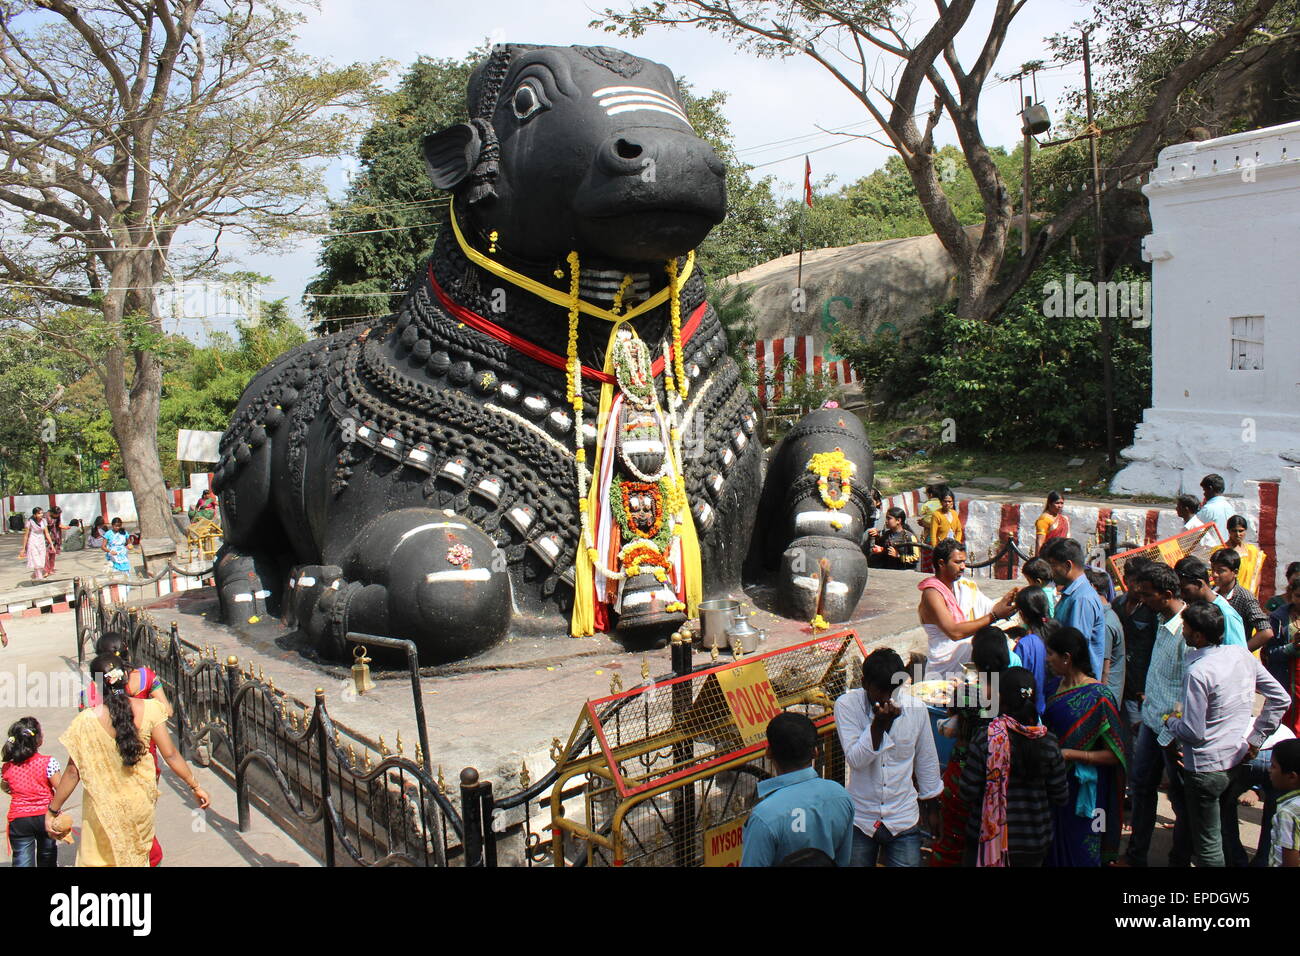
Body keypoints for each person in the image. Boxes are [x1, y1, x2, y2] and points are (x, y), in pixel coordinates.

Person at [46, 654, 210, 866]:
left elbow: (72, 772)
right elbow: (171, 755)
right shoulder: (150, 709)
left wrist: (52, 811)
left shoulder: (85, 721)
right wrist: (195, 786)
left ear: (96, 685)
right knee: (140, 854)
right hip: (139, 803)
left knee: (102, 859)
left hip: (102, 806)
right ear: (126, 677)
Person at [1164, 601, 1289, 867]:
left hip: (1205, 768)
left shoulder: (1198, 672)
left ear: (1198, 635)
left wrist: (1170, 721)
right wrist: (1254, 740)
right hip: (1235, 760)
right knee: (1218, 832)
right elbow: (1280, 699)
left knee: (1209, 845)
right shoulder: (1240, 654)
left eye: (1185, 627)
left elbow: (1193, 732)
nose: (1182, 631)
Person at [835, 648, 942, 866]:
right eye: (880, 691)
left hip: (903, 817)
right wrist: (878, 725)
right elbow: (856, 760)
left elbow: (926, 761)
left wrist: (933, 810)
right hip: (862, 819)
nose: (887, 699)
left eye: (892, 692)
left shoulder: (917, 710)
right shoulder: (846, 706)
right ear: (865, 683)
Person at [959, 667, 1069, 866]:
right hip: (1034, 842)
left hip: (985, 840)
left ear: (1001, 700)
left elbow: (967, 792)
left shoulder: (985, 739)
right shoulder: (1050, 743)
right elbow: (1061, 796)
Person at [1120, 562, 1191, 867]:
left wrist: (1174, 722)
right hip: (1151, 721)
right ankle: (1136, 856)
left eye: (1148, 596)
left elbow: (1190, 686)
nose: (1143, 601)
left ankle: (1179, 858)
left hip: (1172, 729)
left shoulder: (1188, 630)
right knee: (1142, 788)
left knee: (1180, 798)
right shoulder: (1163, 621)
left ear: (1166, 594)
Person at [1043, 626, 1128, 866]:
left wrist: (1071, 754)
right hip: (1055, 785)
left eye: (1051, 654)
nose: (1047, 660)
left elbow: (1115, 754)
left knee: (1083, 848)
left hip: (1086, 791)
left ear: (1067, 658)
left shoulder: (1100, 697)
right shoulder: (1052, 688)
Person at [740, 712, 853, 867]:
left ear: (769, 753)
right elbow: (843, 861)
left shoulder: (764, 816)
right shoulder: (841, 796)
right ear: (815, 752)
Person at [917, 539, 1019, 679]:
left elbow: (989, 608)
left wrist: (1009, 601)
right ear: (941, 563)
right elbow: (954, 632)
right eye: (958, 562)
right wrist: (994, 616)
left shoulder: (963, 587)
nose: (963, 567)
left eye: (964, 562)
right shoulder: (932, 594)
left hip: (966, 668)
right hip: (942, 670)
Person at [2, 717, 64, 867]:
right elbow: (61, 788)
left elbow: (5, 787)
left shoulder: (7, 767)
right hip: (45, 817)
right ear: (38, 740)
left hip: (19, 819)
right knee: (47, 857)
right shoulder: (48, 762)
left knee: (22, 860)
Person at [1043, 537, 1106, 679]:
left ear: (1067, 566)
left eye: (1053, 565)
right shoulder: (1072, 594)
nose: (1050, 571)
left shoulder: (1081, 599)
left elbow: (1074, 648)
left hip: (1076, 685)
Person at [1114, 557, 1159, 739]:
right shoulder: (1117, 605)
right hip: (1118, 684)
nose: (1139, 588)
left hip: (1140, 688)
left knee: (1135, 740)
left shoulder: (1152, 610)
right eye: (1135, 582)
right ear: (1126, 580)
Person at [1174, 555, 1246, 648]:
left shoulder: (1226, 615)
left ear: (1199, 584)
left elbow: (1239, 655)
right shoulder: (1196, 610)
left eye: (1185, 590)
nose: (1182, 596)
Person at [1210, 548, 1274, 652]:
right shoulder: (1210, 593)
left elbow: (1266, 632)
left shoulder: (1244, 597)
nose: (1214, 575)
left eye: (1220, 571)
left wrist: (1241, 653)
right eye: (1213, 569)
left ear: (1235, 572)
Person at [1264, 571, 1300, 739]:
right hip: (1286, 681)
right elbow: (1269, 654)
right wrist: (1291, 648)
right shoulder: (1278, 618)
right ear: (1291, 595)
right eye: (1299, 596)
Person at [1012, 586, 1058, 713]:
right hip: (1054, 708)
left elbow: (1017, 683)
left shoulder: (1025, 645)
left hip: (1033, 713)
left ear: (1021, 614)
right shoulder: (1056, 630)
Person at [1087, 569, 1126, 713]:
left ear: (1092, 587)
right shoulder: (1106, 615)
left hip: (1106, 697)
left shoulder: (1105, 623)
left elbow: (1105, 668)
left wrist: (1100, 701)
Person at [1269, 738, 1300, 867]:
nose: (1269, 770)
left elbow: (1290, 862)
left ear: (1292, 776)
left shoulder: (1287, 813)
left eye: (1273, 766)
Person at [1221, 515, 1265, 596]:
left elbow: (1257, 574)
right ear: (1229, 531)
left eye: (1241, 531)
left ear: (1245, 531)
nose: (1238, 534)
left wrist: (1253, 596)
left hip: (1249, 596)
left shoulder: (1253, 551)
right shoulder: (1221, 551)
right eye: (1234, 531)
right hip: (1229, 596)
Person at [1186, 473, 1234, 542]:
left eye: (1204, 490)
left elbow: (1191, 530)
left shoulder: (1207, 509)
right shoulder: (1230, 507)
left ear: (1210, 489)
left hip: (1214, 550)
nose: (1204, 494)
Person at [17, 507, 51, 581]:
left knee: (42, 561)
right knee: (36, 560)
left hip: (41, 541)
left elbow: (47, 533)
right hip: (33, 541)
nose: (41, 514)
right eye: (39, 513)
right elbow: (26, 535)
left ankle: (36, 575)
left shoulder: (44, 521)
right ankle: (39, 577)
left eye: (42, 513)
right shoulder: (30, 521)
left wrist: (51, 543)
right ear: (35, 515)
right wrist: (23, 548)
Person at [43, 506, 65, 576]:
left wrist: (65, 527)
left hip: (54, 535)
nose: (58, 516)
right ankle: (46, 570)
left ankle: (51, 568)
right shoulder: (45, 517)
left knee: (52, 553)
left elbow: (59, 524)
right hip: (46, 536)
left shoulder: (57, 516)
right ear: (52, 512)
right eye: (57, 514)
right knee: (46, 554)